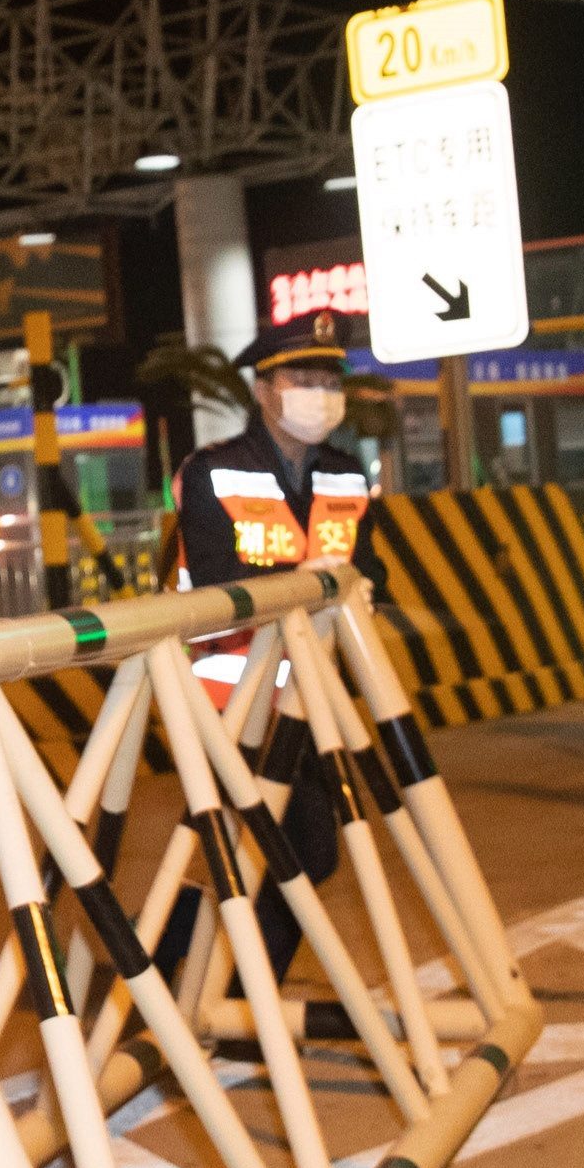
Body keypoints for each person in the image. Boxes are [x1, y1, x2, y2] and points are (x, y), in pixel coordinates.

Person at [165, 311, 385, 976]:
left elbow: (369, 568)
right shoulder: (212, 473)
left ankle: (187, 986)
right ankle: (193, 991)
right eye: (301, 378)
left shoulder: (348, 476)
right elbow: (213, 583)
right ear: (263, 389)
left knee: (272, 855)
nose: (318, 393)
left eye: (328, 380)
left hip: (311, 702)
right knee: (277, 848)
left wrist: (361, 588)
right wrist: (301, 585)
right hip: (231, 701)